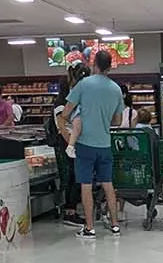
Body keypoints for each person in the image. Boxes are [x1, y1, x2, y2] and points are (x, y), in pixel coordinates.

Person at [64, 49, 125, 237]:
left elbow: (66, 112)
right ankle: (115, 224)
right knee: (108, 184)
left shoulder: (83, 85)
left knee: (86, 185)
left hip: (85, 144)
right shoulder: (116, 89)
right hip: (105, 144)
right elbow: (117, 121)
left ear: (94, 64)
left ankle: (90, 228)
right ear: (110, 66)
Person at [51, 63, 90, 226]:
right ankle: (69, 211)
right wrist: (72, 146)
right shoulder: (61, 103)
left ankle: (74, 208)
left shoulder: (74, 100)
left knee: (77, 176)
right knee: (72, 177)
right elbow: (62, 127)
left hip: (75, 142)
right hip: (66, 144)